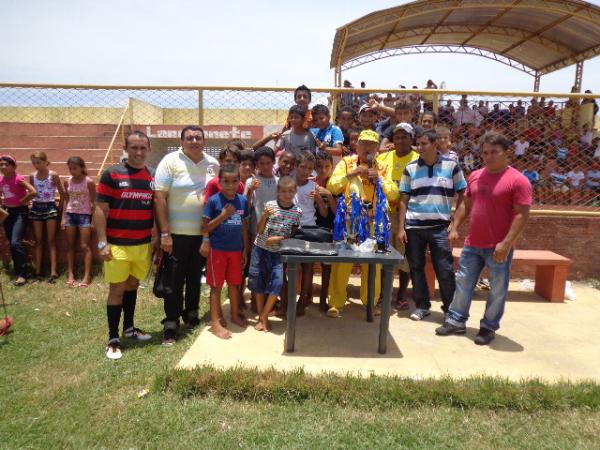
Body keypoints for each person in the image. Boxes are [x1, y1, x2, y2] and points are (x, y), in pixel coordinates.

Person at [436, 132, 532, 345]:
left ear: (507, 153)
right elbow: (465, 205)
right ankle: (456, 321)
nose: (489, 157)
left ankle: (488, 327)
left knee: (497, 290)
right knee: (463, 283)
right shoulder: (476, 176)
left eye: (494, 152)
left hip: (499, 247)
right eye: (485, 152)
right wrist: (454, 227)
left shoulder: (518, 181)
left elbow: (522, 214)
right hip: (473, 244)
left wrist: (506, 243)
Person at [154, 125, 219, 346]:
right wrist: (164, 233)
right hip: (175, 234)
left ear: (204, 141)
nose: (194, 141)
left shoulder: (213, 164)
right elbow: (160, 198)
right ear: (182, 142)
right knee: (173, 279)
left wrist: (210, 235)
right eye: (189, 138)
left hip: (202, 234)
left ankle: (191, 313)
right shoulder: (170, 161)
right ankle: (171, 323)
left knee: (194, 277)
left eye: (198, 138)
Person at [95, 131, 156, 360]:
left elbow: (155, 209)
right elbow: (100, 210)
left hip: (141, 245)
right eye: (134, 148)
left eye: (143, 148)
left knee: (132, 285)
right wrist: (102, 243)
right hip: (117, 244)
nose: (139, 152)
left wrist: (158, 235)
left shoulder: (152, 177)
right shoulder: (112, 174)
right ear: (126, 148)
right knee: (117, 290)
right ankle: (113, 339)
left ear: (148, 149)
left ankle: (129, 329)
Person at [326, 130, 398, 317]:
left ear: (377, 149)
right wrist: (352, 174)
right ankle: (335, 303)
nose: (367, 148)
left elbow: (394, 194)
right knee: (342, 263)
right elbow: (332, 186)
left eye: (372, 145)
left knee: (373, 265)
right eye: (363, 144)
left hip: (374, 222)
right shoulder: (347, 163)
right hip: (350, 221)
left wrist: (379, 179)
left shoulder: (382, 166)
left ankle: (371, 303)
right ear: (356, 145)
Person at [398, 128, 467, 321]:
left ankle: (450, 310)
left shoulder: (452, 166)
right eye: (417, 144)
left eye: (423, 144)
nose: (419, 147)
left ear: (435, 144)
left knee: (444, 269)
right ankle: (422, 306)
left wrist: (455, 227)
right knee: (416, 268)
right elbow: (403, 199)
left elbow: (464, 196)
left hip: (440, 228)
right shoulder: (410, 168)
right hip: (414, 227)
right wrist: (401, 228)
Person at [201, 164, 249, 339]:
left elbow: (244, 225)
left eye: (234, 181)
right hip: (218, 251)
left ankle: (235, 314)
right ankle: (215, 322)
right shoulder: (214, 201)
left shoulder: (242, 201)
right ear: (219, 182)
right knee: (216, 286)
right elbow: (204, 228)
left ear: (239, 182)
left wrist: (245, 248)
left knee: (235, 284)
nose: (230, 185)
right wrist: (222, 216)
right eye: (226, 181)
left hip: (236, 251)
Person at [249, 176, 301, 332]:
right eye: (283, 191)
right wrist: (264, 216)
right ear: (278, 191)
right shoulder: (270, 206)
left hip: (277, 253)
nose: (287, 194)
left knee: (277, 283)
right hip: (260, 249)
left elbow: (293, 235)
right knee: (258, 282)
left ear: (295, 191)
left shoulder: (297, 212)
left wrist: (278, 239)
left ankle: (264, 315)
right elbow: (259, 230)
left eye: (290, 191)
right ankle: (261, 317)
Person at [376, 123, 419, 310]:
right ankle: (384, 294)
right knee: (384, 253)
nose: (400, 140)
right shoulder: (384, 157)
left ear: (412, 139)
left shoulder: (418, 159)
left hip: (407, 214)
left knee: (404, 258)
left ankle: (401, 295)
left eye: (405, 137)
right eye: (397, 137)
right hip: (384, 213)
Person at [291, 151, 327, 316]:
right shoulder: (287, 183)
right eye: (303, 167)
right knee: (290, 266)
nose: (306, 171)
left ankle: (302, 300)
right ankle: (289, 298)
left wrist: (319, 200)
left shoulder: (313, 186)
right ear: (296, 166)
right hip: (291, 229)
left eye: (310, 168)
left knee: (308, 267)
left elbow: (324, 214)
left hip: (310, 229)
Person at [29, 151, 65, 283]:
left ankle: (53, 271)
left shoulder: (53, 175)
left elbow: (62, 193)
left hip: (50, 207)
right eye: (34, 163)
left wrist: (59, 210)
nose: (36, 165)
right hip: (36, 207)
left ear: (45, 162)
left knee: (51, 240)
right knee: (38, 241)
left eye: (38, 162)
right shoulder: (32, 176)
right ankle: (38, 271)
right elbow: (32, 193)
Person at [0, 155, 37, 286]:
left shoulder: (18, 179)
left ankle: (23, 273)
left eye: (6, 164)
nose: (3, 167)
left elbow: (33, 192)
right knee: (11, 242)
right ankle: (18, 271)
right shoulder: (1, 180)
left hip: (20, 213)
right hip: (7, 213)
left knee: (16, 242)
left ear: (14, 166)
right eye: (1, 165)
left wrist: (23, 201)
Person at [62, 157, 96, 287]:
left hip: (84, 216)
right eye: (70, 168)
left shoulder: (89, 182)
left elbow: (94, 202)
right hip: (70, 215)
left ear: (82, 167)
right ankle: (70, 274)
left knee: (84, 246)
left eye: (75, 168)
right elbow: (66, 199)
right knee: (70, 246)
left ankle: (86, 276)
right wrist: (63, 217)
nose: (72, 171)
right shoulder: (67, 181)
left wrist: (93, 220)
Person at [314, 151, 337, 310]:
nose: (323, 170)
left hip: (329, 230)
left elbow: (338, 214)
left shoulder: (336, 186)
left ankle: (323, 299)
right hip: (312, 229)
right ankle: (306, 297)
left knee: (327, 266)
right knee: (307, 266)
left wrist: (329, 196)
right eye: (319, 167)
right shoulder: (311, 183)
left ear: (332, 167)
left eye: (326, 167)